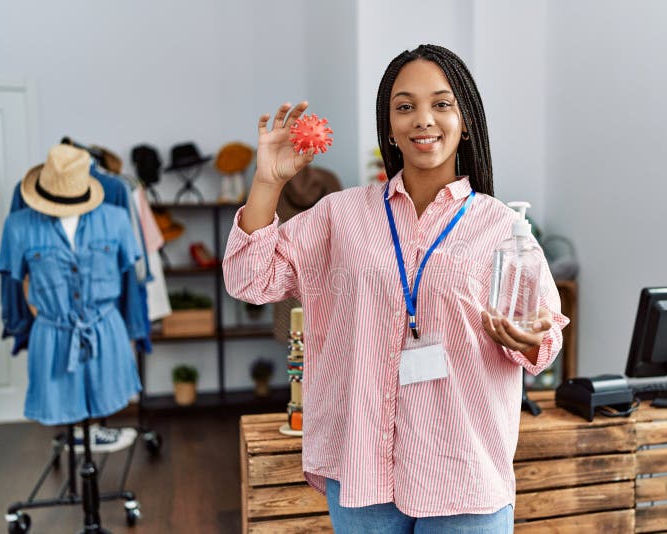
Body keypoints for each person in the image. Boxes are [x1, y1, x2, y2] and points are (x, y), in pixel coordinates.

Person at [223, 44, 569, 533]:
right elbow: (249, 278)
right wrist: (266, 183)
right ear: (389, 127)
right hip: (362, 468)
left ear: (465, 118)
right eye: (405, 106)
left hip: (463, 474)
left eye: (441, 104)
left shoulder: (502, 227)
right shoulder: (341, 216)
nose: (423, 119)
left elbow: (545, 333)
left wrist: (534, 339)